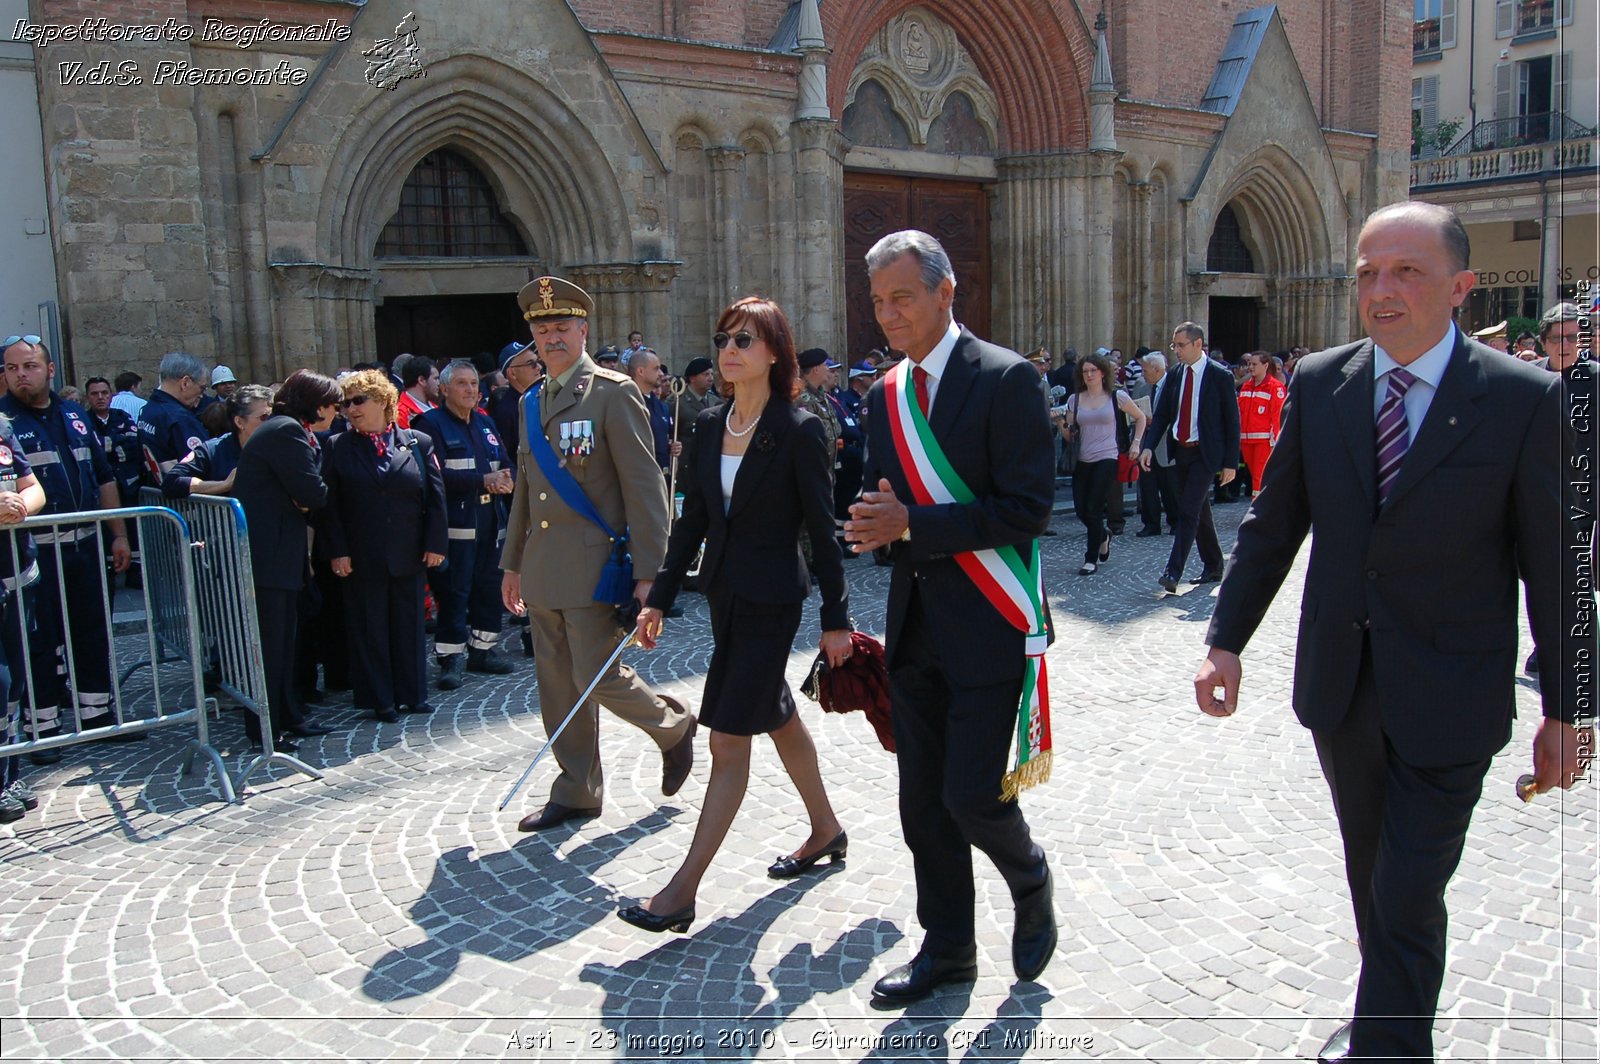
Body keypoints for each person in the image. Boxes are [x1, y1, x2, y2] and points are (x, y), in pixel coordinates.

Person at [1196, 202, 1587, 1064]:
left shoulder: (1525, 398)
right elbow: (1274, 523)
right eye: (1369, 271)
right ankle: (1388, 1022)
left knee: (1409, 891)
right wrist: (1226, 638)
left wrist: (1568, 708)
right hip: (1343, 689)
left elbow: (1557, 564)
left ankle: (1387, 1049)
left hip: (1453, 695)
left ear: (1460, 288)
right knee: (1376, 880)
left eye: (1406, 271)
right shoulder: (1323, 383)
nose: (1382, 289)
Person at [844, 230, 1056, 1004]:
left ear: (945, 292)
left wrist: (911, 525)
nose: (888, 315)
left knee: (972, 796)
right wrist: (868, 525)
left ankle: (1030, 878)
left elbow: (1028, 509)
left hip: (991, 618)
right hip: (916, 621)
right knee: (922, 805)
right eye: (877, 302)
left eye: (902, 297)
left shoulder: (1005, 379)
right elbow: (885, 495)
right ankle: (949, 949)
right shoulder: (884, 394)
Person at [617, 297, 852, 934]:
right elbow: (692, 520)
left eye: (745, 340)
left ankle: (681, 891)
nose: (730, 350)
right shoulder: (707, 425)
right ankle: (826, 828)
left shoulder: (800, 429)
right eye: (724, 338)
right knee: (773, 708)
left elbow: (822, 531)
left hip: (773, 599)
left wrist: (838, 617)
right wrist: (659, 597)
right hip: (724, 592)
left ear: (774, 353)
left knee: (727, 738)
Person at [500, 276, 695, 833]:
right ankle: (578, 789)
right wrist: (512, 563)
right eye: (542, 329)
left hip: (594, 569)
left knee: (597, 676)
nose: (552, 337)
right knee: (557, 686)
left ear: (583, 330)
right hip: (542, 568)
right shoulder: (530, 401)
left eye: (561, 327)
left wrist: (650, 576)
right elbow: (524, 490)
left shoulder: (612, 393)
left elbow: (645, 489)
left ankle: (671, 727)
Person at [0, 336, 131, 763]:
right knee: (39, 638)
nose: (22, 374)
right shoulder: (4, 422)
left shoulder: (75, 414)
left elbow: (104, 476)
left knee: (93, 630)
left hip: (86, 544)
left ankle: (97, 717)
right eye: (13, 368)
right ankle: (44, 730)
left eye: (30, 366)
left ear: (50, 369)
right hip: (36, 551)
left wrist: (119, 534)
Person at [323, 370, 448, 722]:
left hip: (408, 552)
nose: (350, 409)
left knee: (409, 626)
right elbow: (329, 507)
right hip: (361, 556)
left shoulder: (416, 442)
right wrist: (338, 550)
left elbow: (434, 497)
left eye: (358, 401)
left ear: (383, 402)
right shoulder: (337, 447)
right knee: (370, 628)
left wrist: (435, 542)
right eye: (346, 404)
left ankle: (413, 694)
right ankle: (380, 699)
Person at [231, 369, 341, 752]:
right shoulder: (286, 431)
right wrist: (309, 494)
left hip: (279, 553)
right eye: (332, 403)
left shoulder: (285, 429)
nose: (337, 411)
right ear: (314, 403)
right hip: (270, 556)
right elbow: (314, 491)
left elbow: (307, 493)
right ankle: (266, 729)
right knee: (271, 647)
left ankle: (287, 716)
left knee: (286, 644)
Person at [414, 360, 516, 688]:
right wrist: (481, 480)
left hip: (490, 522)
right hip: (456, 525)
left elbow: (507, 462)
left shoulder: (484, 423)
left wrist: (509, 480)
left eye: (473, 383)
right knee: (455, 591)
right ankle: (451, 658)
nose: (471, 389)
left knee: (489, 587)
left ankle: (483, 650)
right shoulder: (429, 424)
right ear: (443, 389)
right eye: (461, 383)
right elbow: (433, 476)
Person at [1139, 322, 1239, 592]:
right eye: (1174, 345)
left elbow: (1232, 422)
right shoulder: (1175, 375)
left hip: (1205, 454)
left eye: (1181, 345)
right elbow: (1161, 416)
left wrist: (1231, 462)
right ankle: (1214, 564)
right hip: (1180, 450)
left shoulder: (1220, 376)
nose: (1176, 351)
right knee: (1198, 509)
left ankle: (1173, 571)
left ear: (1198, 344)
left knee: (1187, 510)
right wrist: (1148, 446)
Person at [1056, 350, 1146, 575]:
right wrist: (1060, 424)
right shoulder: (1074, 400)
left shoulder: (1117, 396)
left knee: (1094, 507)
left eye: (1093, 370)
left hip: (1107, 457)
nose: (1089, 375)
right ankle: (1103, 535)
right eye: (1085, 371)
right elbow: (1070, 435)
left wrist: (1136, 444)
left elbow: (1141, 417)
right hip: (1082, 459)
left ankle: (1090, 558)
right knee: (1081, 509)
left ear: (1103, 373)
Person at [84, 375, 146, 587]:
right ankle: (109, 570)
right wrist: (109, 448)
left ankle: (134, 571)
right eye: (95, 394)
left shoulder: (123, 417)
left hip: (127, 485)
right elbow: (94, 453)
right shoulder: (83, 422)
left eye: (104, 393)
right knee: (105, 531)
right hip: (99, 489)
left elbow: (131, 446)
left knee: (131, 529)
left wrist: (107, 448)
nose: (100, 397)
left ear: (111, 395)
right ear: (88, 397)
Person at [161, 385, 273, 497]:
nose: (273, 421)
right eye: (264, 417)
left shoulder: (282, 444)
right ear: (239, 422)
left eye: (274, 416)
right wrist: (224, 485)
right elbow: (171, 482)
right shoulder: (212, 450)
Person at [137, 352, 210, 478]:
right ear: (185, 383)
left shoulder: (147, 410)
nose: (201, 395)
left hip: (158, 489)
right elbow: (204, 465)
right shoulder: (179, 418)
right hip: (183, 494)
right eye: (202, 388)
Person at [1134, 353, 1179, 536]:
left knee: (1171, 487)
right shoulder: (1142, 388)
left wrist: (1158, 422)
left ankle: (1176, 521)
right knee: (1148, 487)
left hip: (1167, 445)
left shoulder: (1175, 386)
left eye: (1145, 370)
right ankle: (1151, 523)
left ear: (1158, 369)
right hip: (1146, 444)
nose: (1143, 374)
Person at [1236, 351, 1286, 497]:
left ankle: (1258, 511)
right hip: (1246, 440)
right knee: (1256, 476)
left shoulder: (1274, 387)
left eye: (1254, 364)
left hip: (1264, 441)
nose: (1250, 367)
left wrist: (1274, 441)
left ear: (1265, 365)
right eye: (1249, 364)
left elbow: (1277, 416)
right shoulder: (1246, 386)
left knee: (1259, 477)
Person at [623, 348, 679, 474]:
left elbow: (664, 438)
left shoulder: (661, 406)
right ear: (641, 371)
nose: (661, 373)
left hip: (662, 475)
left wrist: (672, 447)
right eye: (656, 369)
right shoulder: (626, 402)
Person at [395, 354, 439, 429]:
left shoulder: (435, 408)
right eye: (436, 379)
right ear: (421, 380)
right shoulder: (400, 414)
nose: (439, 383)